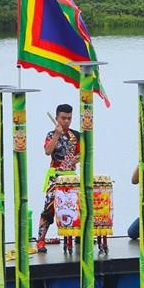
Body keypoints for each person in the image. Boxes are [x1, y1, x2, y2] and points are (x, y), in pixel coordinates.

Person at [37, 104, 81, 253]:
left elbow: (83, 153)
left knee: (76, 208)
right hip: (56, 176)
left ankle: (78, 236)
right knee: (49, 208)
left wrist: (77, 159)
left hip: (72, 177)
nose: (66, 121)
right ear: (57, 118)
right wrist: (57, 134)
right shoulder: (51, 134)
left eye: (69, 118)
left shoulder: (76, 135)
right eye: (63, 118)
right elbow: (47, 151)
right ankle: (41, 239)